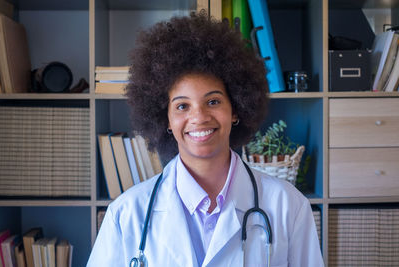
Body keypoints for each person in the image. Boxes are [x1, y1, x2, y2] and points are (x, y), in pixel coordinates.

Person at [87, 12, 324, 267]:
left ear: (235, 110)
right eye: (182, 106)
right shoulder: (126, 214)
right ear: (165, 119)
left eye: (213, 101)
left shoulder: (288, 206)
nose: (199, 117)